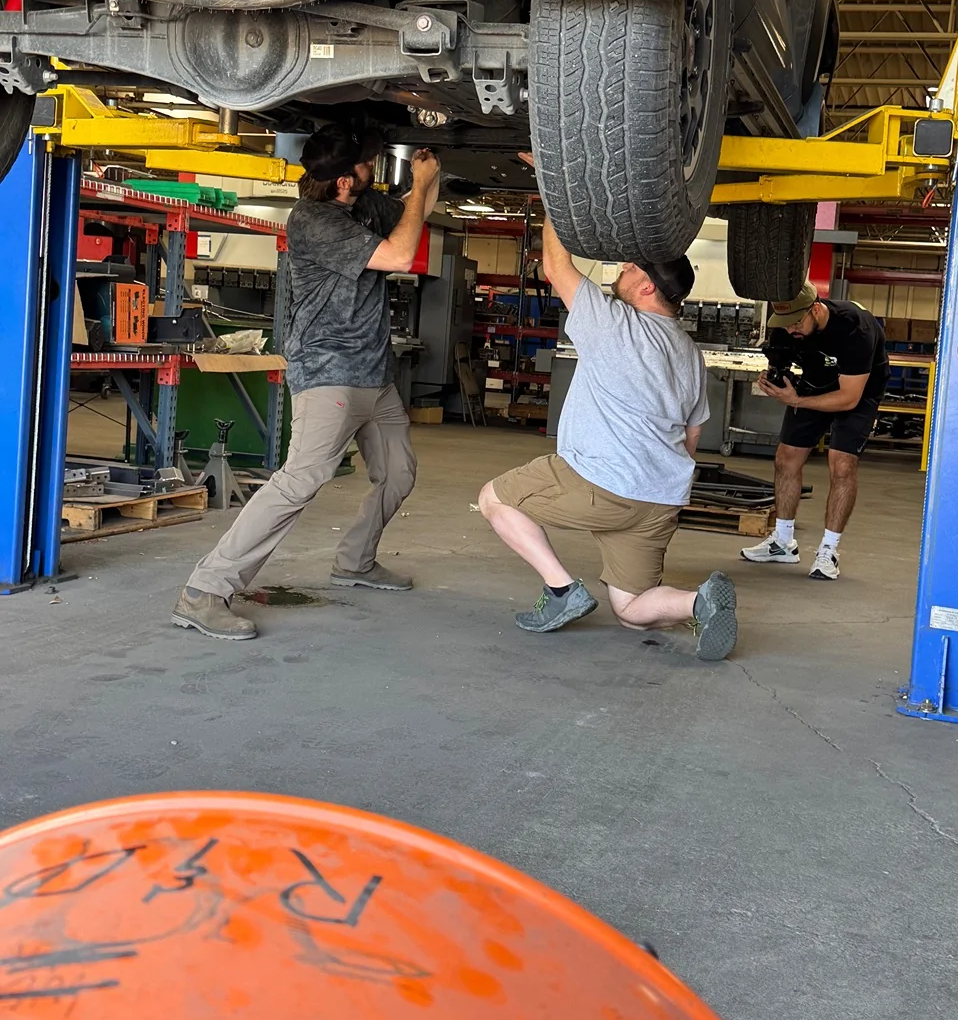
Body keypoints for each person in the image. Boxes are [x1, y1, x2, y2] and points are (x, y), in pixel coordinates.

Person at [172, 127, 441, 639]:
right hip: (329, 371)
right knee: (301, 480)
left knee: (398, 473)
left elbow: (413, 216)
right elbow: (402, 256)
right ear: (344, 179)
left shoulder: (361, 207)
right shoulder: (314, 220)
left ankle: (355, 563)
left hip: (374, 376)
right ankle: (204, 591)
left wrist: (428, 179)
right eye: (367, 164)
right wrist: (421, 184)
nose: (374, 170)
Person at [478, 215, 738, 660]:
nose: (622, 270)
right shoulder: (689, 352)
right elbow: (693, 435)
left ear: (647, 288)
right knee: (631, 609)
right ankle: (699, 602)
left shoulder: (616, 323)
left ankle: (561, 590)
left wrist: (555, 192)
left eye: (631, 268)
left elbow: (557, 267)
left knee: (493, 499)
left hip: (601, 481)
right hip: (659, 499)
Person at [741, 280, 889, 581]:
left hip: (859, 391)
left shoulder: (854, 329)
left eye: (797, 322)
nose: (791, 329)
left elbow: (849, 397)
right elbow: (783, 357)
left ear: (816, 309)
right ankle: (783, 543)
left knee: (842, 464)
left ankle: (829, 550)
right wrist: (774, 376)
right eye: (785, 323)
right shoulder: (787, 327)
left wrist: (796, 400)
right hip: (815, 382)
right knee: (786, 458)